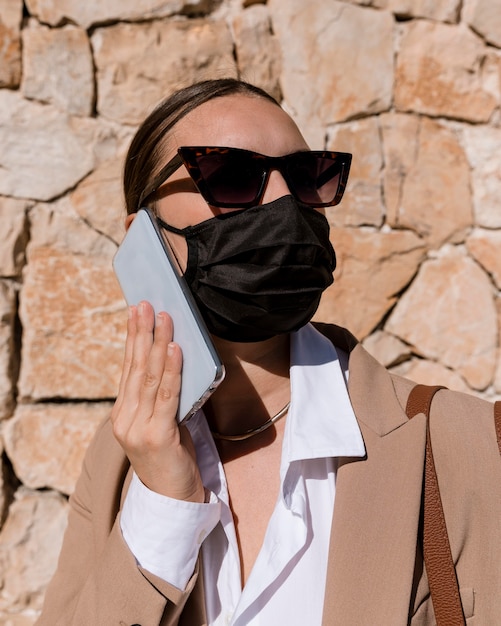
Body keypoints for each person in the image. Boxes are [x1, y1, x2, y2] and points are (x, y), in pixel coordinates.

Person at [37, 79, 501, 626]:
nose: (283, 202)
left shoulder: (470, 446)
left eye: (308, 178)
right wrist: (162, 504)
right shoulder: (120, 463)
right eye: (230, 176)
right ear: (144, 235)